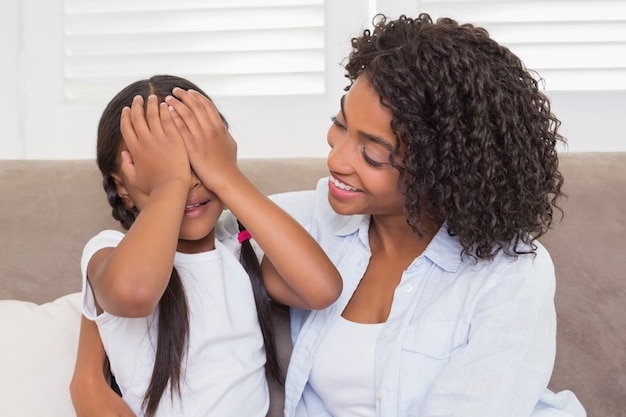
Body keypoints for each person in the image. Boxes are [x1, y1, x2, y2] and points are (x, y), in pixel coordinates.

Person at [72, 13, 587, 417]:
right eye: (339, 125)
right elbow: (156, 269)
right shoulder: (300, 219)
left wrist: (225, 174)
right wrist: (88, 372)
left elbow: (314, 284)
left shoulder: (513, 273)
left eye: (373, 153)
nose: (336, 159)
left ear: (442, 170)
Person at [69, 75, 342, 417]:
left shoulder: (242, 248)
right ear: (122, 187)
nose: (190, 180)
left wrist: (227, 176)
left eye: (197, 161)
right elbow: (134, 294)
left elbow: (323, 289)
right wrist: (171, 184)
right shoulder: (108, 251)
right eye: (166, 167)